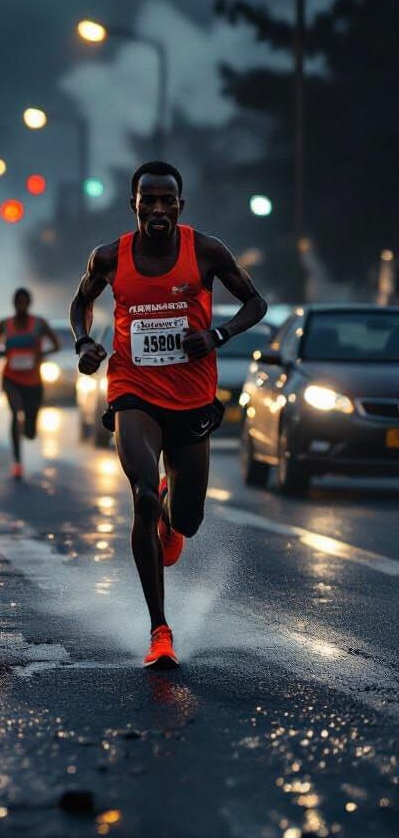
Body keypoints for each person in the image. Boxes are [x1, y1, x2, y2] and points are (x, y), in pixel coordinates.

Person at [70, 162, 266, 668]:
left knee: (189, 519)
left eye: (167, 201)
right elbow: (81, 303)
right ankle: (159, 629)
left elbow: (256, 303)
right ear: (133, 203)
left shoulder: (206, 250)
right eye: (147, 200)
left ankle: (171, 516)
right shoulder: (110, 256)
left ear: (181, 205)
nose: (157, 209)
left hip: (192, 397)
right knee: (140, 495)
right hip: (133, 391)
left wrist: (217, 335)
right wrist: (85, 341)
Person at [0, 287, 63, 478]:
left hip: (33, 381)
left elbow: (56, 344)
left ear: (29, 303)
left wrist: (42, 354)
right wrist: (1, 352)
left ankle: (28, 428)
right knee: (14, 413)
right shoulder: (4, 324)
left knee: (30, 431)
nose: (21, 305)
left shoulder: (39, 324)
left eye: (24, 302)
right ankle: (17, 463)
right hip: (11, 379)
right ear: (14, 304)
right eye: (18, 302)